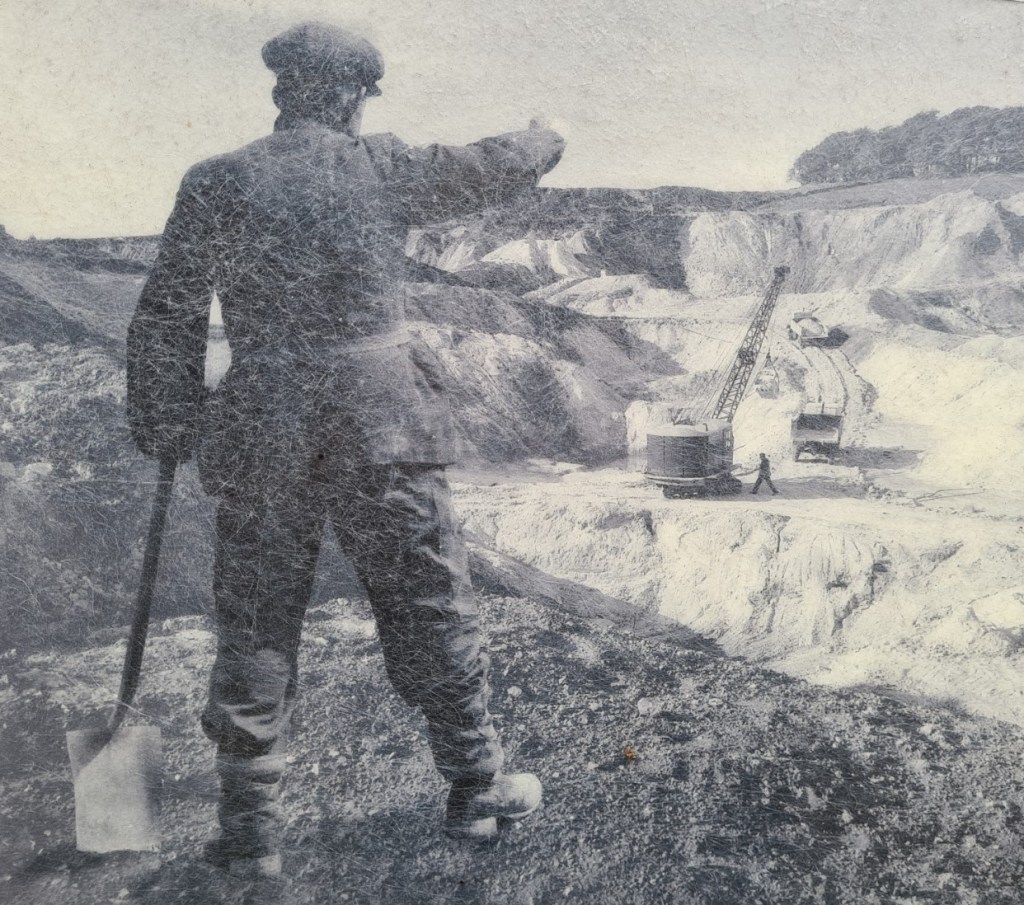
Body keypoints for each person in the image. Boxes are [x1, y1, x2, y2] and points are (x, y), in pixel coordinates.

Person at [126, 21, 566, 879]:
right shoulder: (381, 167)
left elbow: (167, 311)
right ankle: (476, 788)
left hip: (262, 427)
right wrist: (546, 134)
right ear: (352, 94)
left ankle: (250, 836)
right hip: (383, 428)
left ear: (284, 89)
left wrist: (170, 418)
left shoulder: (214, 180)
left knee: (256, 621)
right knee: (428, 600)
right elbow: (488, 165)